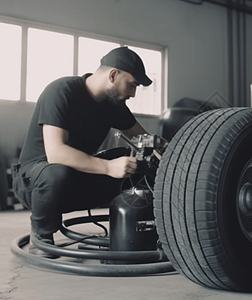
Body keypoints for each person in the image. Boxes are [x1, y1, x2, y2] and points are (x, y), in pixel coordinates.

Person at [12, 47, 153, 258]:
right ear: (113, 75)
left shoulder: (113, 105)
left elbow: (145, 141)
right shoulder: (61, 91)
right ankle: (42, 236)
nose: (133, 94)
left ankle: (135, 231)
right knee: (57, 172)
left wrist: (172, 152)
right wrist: (108, 167)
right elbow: (56, 153)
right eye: (132, 85)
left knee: (137, 162)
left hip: (76, 179)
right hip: (36, 182)